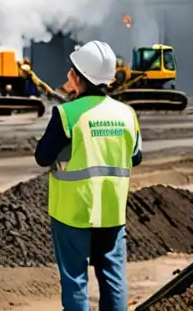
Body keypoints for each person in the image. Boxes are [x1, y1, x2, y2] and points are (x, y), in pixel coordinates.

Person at [34, 40, 141, 311]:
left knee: (75, 280)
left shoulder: (67, 114)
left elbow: (42, 157)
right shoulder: (127, 114)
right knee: (113, 277)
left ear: (76, 77)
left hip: (72, 211)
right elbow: (135, 157)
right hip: (112, 210)